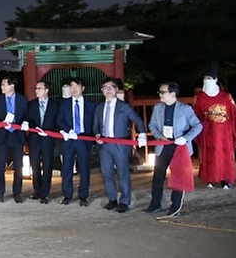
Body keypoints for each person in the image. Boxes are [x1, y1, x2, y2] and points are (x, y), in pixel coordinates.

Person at [144, 82, 203, 218]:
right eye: (160, 92)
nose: (160, 94)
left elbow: (198, 126)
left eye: (163, 92)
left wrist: (185, 138)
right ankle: (155, 204)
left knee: (178, 177)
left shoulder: (185, 109)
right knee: (158, 176)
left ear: (173, 94)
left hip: (179, 147)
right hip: (162, 146)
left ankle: (175, 207)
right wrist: (160, 136)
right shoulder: (158, 108)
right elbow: (152, 125)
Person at [92, 78, 147, 213]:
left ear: (117, 90)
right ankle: (112, 198)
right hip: (105, 144)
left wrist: (142, 134)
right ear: (102, 90)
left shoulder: (124, 106)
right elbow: (95, 126)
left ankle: (124, 200)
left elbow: (137, 120)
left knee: (123, 172)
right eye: (105, 87)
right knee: (107, 173)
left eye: (111, 87)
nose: (108, 90)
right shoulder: (99, 107)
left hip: (121, 143)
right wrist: (97, 135)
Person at [193, 63, 236, 189]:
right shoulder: (199, 97)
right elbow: (195, 115)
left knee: (225, 154)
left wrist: (233, 130)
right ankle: (211, 178)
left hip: (224, 131)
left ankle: (226, 179)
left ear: (215, 80)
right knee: (210, 154)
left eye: (210, 78)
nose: (207, 81)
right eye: (205, 78)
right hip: (208, 131)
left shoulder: (225, 96)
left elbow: (233, 114)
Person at [56, 77, 97, 206]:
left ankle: (83, 195)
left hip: (85, 139)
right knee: (67, 167)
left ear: (83, 88)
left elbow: (95, 123)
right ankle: (67, 195)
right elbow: (59, 120)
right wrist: (68, 130)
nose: (74, 89)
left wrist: (95, 136)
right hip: (69, 139)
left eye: (76, 86)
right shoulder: (64, 103)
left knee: (84, 167)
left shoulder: (91, 104)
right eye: (71, 87)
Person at [0, 76, 29, 203]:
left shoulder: (22, 99)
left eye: (4, 85)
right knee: (0, 165)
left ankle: (17, 192)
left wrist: (25, 123)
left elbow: (26, 115)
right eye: (2, 85)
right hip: (3, 136)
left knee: (18, 166)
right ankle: (0, 192)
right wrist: (2, 123)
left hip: (17, 136)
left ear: (12, 86)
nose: (2, 87)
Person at [25, 80, 58, 204]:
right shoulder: (31, 105)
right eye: (36, 88)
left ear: (46, 90)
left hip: (48, 139)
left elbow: (57, 121)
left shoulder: (55, 105)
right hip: (34, 139)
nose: (36, 90)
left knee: (48, 166)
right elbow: (27, 118)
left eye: (39, 88)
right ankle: (36, 190)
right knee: (34, 165)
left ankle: (45, 193)